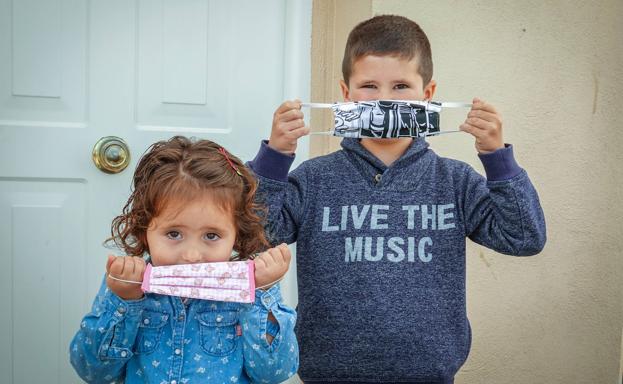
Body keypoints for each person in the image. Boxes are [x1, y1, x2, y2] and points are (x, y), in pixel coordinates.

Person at [248, 15, 546, 383]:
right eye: (369, 85)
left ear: (428, 94)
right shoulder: (314, 179)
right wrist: (275, 158)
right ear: (346, 94)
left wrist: (497, 157)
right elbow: (256, 235)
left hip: (429, 372)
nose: (385, 99)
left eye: (401, 85)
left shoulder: (455, 181)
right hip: (327, 371)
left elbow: (524, 237)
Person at [70, 136, 298, 383]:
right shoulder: (126, 286)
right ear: (144, 230)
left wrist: (262, 294)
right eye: (174, 234)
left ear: (236, 235)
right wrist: (123, 301)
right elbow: (93, 372)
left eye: (211, 235)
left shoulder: (251, 291)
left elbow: (274, 373)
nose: (191, 256)